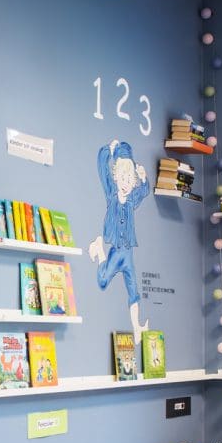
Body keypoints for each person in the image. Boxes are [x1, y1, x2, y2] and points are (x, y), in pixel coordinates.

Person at [88, 140, 151, 343]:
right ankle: (99, 249)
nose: (126, 183)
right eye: (122, 178)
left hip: (128, 253)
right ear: (116, 177)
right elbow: (102, 168)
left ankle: (137, 327)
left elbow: (145, 191)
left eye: (129, 179)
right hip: (116, 252)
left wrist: (144, 178)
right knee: (103, 281)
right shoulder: (111, 194)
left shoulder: (132, 199)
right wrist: (108, 150)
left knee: (133, 291)